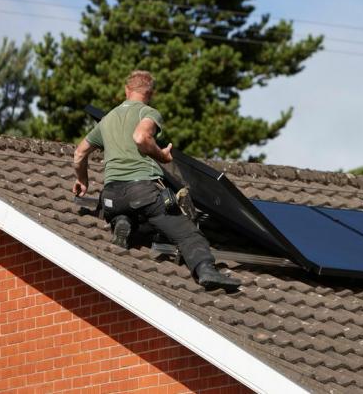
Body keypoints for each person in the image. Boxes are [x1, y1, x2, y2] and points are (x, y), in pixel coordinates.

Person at [72, 70, 240, 291]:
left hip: (111, 197)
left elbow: (79, 154)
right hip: (142, 191)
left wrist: (82, 181)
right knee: (187, 233)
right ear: (150, 94)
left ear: (126, 90)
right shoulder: (148, 113)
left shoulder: (107, 119)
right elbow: (141, 137)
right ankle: (206, 270)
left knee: (139, 215)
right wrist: (162, 155)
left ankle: (123, 221)